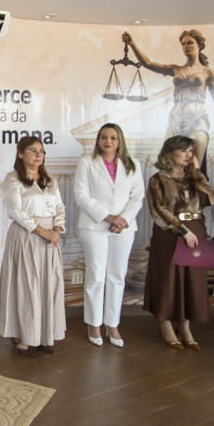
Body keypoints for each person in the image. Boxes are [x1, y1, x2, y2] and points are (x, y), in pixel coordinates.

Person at [73, 123, 145, 348]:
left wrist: (122, 219)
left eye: (113, 137)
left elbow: (138, 196)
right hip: (94, 226)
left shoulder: (133, 164)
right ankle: (93, 323)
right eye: (103, 137)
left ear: (119, 141)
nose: (108, 141)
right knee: (96, 276)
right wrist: (108, 217)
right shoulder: (87, 162)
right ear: (98, 140)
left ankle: (112, 323)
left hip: (123, 228)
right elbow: (81, 195)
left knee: (117, 276)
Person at [143, 135, 214, 349]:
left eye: (191, 151)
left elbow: (211, 199)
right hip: (169, 232)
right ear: (171, 152)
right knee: (168, 278)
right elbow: (159, 209)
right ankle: (165, 323)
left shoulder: (194, 177)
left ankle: (185, 326)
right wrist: (182, 229)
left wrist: (198, 174)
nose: (188, 155)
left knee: (192, 279)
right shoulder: (158, 179)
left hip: (197, 228)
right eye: (184, 150)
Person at [0, 136, 66, 356]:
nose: (38, 155)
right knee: (27, 286)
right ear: (20, 153)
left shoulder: (50, 180)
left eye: (42, 151)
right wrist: (43, 232)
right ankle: (24, 337)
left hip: (50, 240)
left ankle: (43, 335)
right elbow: (15, 211)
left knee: (47, 286)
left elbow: (60, 208)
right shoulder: (13, 179)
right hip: (26, 236)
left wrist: (57, 230)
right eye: (33, 150)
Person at [122, 30, 214, 171]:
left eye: (190, 43)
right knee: (172, 166)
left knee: (195, 167)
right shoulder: (176, 69)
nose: (186, 46)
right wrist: (132, 44)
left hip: (198, 120)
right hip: (176, 120)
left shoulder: (207, 72)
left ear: (199, 45)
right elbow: (147, 63)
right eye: (183, 44)